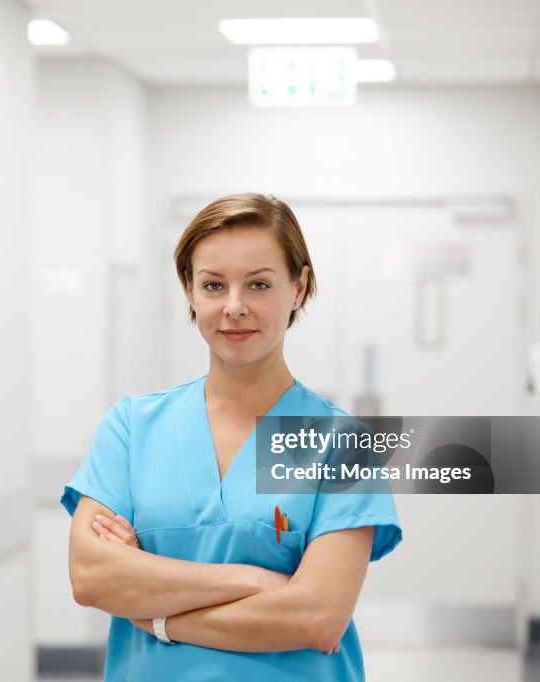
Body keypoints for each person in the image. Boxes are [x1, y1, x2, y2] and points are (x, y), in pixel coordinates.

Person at [61, 193, 402, 681]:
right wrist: (254, 580)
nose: (234, 307)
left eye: (259, 284)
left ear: (299, 287)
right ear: (190, 290)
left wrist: (158, 616)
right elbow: (92, 578)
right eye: (214, 285)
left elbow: (317, 617)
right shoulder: (132, 428)